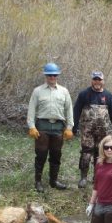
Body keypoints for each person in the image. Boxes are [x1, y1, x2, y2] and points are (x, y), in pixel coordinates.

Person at [27, 62, 74, 193]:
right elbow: (31, 110)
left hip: (58, 126)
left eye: (54, 75)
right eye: (49, 75)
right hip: (42, 126)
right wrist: (31, 126)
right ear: (45, 76)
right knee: (41, 154)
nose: (52, 77)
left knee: (56, 155)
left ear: (57, 75)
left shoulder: (64, 91)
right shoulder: (37, 91)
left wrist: (69, 127)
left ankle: (53, 181)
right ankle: (38, 182)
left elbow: (69, 110)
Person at [72, 71, 112, 189]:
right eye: (95, 79)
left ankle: (97, 177)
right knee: (86, 152)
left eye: (99, 79)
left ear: (103, 81)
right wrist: (74, 127)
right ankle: (83, 177)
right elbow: (76, 111)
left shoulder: (108, 95)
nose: (97, 82)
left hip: (104, 132)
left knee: (100, 154)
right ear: (92, 80)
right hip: (87, 131)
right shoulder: (84, 94)